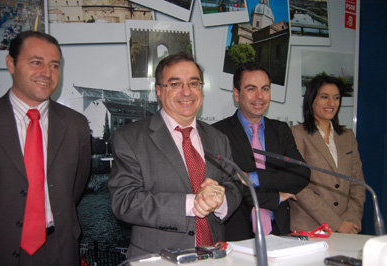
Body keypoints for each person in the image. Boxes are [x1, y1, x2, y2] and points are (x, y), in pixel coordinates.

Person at [108, 52, 241, 258]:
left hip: (215, 257)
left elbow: (234, 187)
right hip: (159, 258)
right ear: (159, 91)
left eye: (194, 83)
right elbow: (125, 201)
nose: (186, 92)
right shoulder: (130, 138)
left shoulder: (218, 138)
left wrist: (219, 200)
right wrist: (192, 203)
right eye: (175, 84)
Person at [0, 31, 91, 265]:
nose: (47, 73)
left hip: (59, 249)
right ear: (10, 64)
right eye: (36, 62)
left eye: (54, 65)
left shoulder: (76, 125)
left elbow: (74, 187)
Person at [213, 62, 310, 240]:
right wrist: (275, 198)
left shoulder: (281, 130)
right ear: (236, 94)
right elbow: (226, 187)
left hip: (279, 230)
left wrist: (253, 178)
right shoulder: (217, 133)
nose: (260, 96)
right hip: (236, 234)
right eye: (251, 89)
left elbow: (301, 174)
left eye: (265, 89)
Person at [290, 75, 366, 234]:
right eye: (324, 97)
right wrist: (336, 223)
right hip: (309, 228)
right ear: (311, 99)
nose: (331, 103)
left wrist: (351, 220)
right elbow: (299, 187)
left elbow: (357, 184)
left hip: (347, 228)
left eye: (336, 98)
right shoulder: (296, 134)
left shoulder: (348, 136)